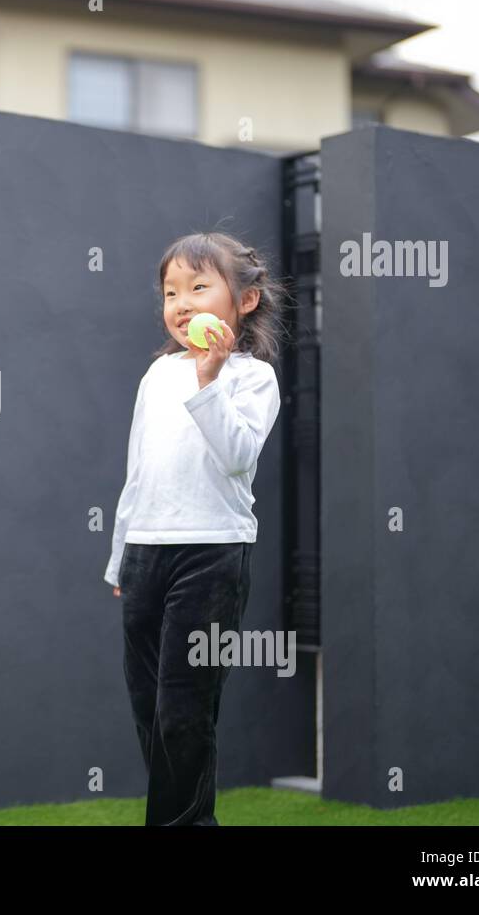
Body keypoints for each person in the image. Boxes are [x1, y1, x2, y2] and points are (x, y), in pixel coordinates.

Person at [105, 231, 289, 825]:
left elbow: (237, 456)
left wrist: (210, 378)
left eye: (198, 287)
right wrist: (119, 559)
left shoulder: (251, 378)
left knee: (186, 708)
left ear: (246, 301)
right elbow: (139, 471)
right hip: (143, 555)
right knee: (149, 708)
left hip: (212, 554)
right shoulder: (157, 375)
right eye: (170, 291)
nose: (180, 303)